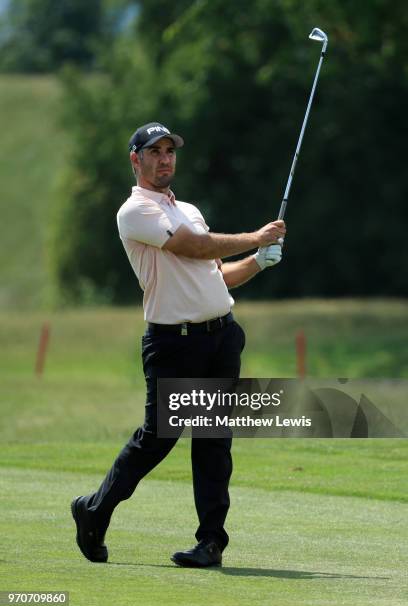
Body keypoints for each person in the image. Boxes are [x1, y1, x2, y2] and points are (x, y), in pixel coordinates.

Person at [71, 122, 286, 568]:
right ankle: (94, 510)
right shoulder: (135, 212)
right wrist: (255, 238)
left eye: (170, 151)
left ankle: (211, 542)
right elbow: (193, 248)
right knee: (158, 438)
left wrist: (256, 262)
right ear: (136, 160)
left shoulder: (187, 208)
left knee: (214, 440)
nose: (165, 158)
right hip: (174, 344)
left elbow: (214, 275)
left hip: (221, 335)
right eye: (155, 152)